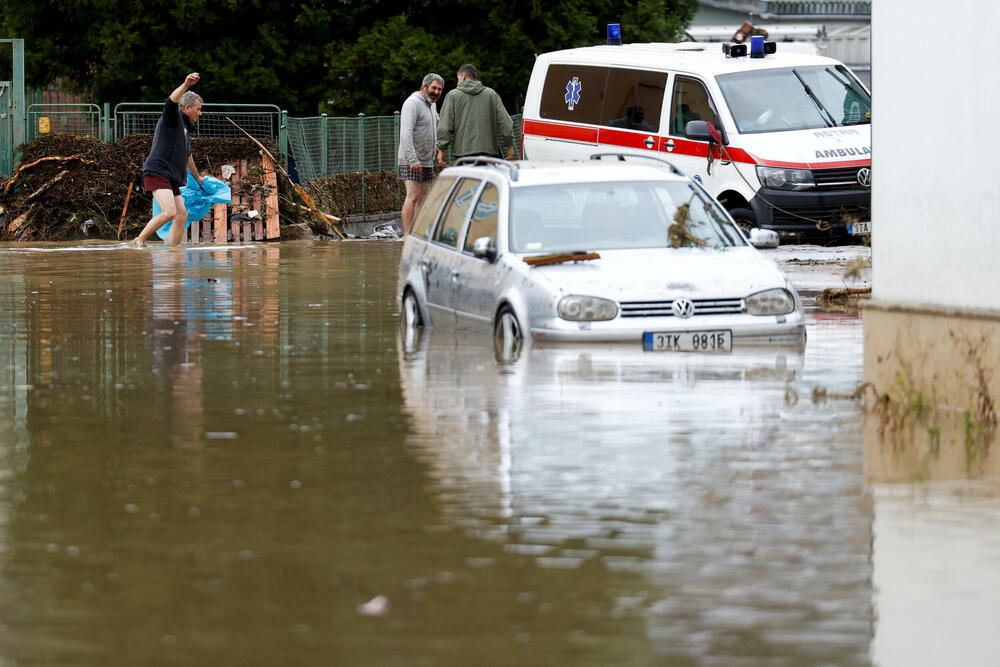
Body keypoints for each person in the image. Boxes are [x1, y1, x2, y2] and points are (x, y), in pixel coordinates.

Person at [129, 72, 205, 247]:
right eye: (198, 109)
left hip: (169, 177)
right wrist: (186, 84)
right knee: (170, 211)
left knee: (182, 215)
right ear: (186, 108)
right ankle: (138, 241)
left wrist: (198, 177)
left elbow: (188, 156)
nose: (200, 114)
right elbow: (170, 101)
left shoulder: (185, 129)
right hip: (157, 172)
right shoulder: (172, 117)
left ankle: (171, 250)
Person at [436, 64, 514, 167]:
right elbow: (506, 123)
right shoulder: (491, 94)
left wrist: (441, 149)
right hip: (490, 154)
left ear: (463, 76)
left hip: (463, 155)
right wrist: (509, 145)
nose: (457, 81)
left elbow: (445, 126)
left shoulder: (452, 95)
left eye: (458, 78)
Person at [398, 73, 444, 235]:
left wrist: (438, 150)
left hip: (426, 159)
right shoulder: (412, 103)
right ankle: (406, 235)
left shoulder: (432, 105)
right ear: (424, 87)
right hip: (411, 159)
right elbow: (405, 133)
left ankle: (417, 234)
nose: (437, 92)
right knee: (413, 196)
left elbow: (435, 129)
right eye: (434, 88)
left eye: (439, 89)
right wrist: (413, 160)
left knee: (424, 198)